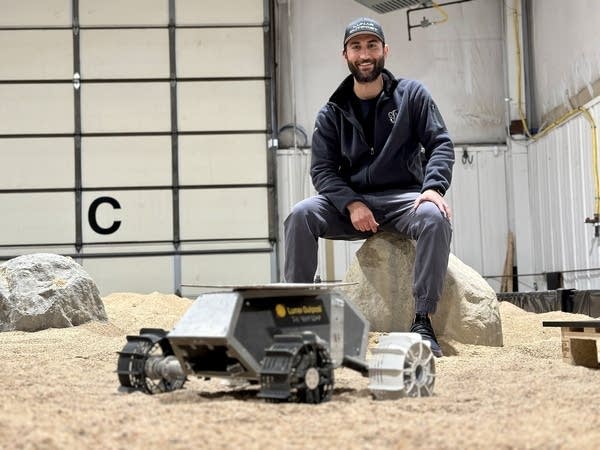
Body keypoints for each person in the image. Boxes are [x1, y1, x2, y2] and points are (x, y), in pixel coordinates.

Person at [283, 17, 454, 357]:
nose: (365, 54)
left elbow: (441, 144)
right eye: (356, 47)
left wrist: (434, 187)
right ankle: (297, 311)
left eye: (372, 46)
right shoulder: (331, 113)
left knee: (435, 218)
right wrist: (351, 204)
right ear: (345, 54)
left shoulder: (413, 96)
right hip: (354, 205)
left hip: (404, 199)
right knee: (300, 215)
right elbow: (322, 169)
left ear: (385, 51)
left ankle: (422, 320)